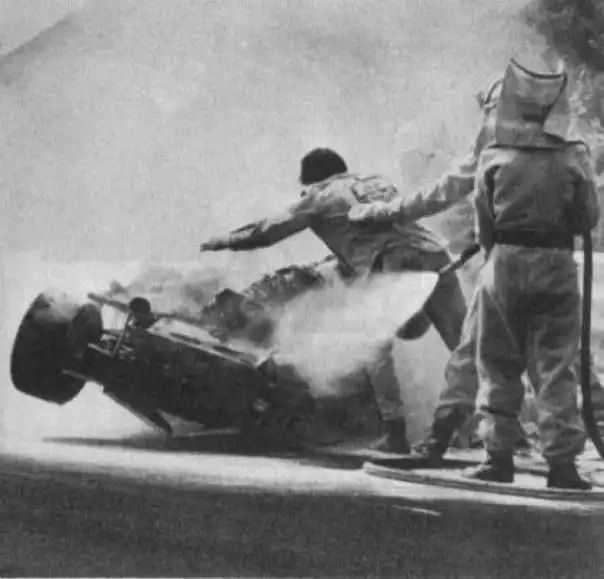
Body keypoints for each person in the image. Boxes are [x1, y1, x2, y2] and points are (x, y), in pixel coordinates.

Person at [350, 75, 604, 469]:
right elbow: (586, 218)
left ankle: (471, 449)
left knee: (483, 357)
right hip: (553, 264)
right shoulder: (571, 154)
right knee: (556, 360)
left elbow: (457, 199)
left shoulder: (495, 153)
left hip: (504, 266)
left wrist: (499, 249)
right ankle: (560, 462)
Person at [200, 147, 469, 453]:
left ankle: (395, 434)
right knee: (465, 345)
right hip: (436, 255)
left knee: (375, 348)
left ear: (312, 180)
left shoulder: (320, 196)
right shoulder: (375, 182)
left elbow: (267, 232)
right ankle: (488, 430)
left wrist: (224, 241)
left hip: (393, 263)